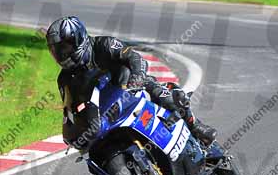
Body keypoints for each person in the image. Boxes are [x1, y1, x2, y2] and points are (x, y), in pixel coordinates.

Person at [46, 15, 217, 145]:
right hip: (107, 110)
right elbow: (70, 110)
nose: (62, 54)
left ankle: (195, 126)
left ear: (78, 39)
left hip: (131, 85)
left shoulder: (104, 45)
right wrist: (73, 132)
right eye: (57, 50)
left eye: (65, 47)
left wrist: (137, 79)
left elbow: (135, 58)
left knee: (165, 96)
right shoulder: (64, 79)